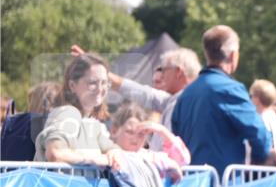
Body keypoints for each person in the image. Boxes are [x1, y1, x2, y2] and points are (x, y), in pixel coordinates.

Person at [171, 26, 272, 177]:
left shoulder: (186, 94)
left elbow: (176, 138)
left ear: (206, 53)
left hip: (191, 186)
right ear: (233, 55)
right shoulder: (229, 89)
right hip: (221, 185)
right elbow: (259, 134)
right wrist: (259, 161)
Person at [72, 44, 200, 152]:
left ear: (178, 72)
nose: (161, 76)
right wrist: (96, 69)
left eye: (164, 70)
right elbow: (138, 91)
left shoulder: (192, 102)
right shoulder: (172, 100)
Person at [35, 53, 121, 168]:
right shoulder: (68, 113)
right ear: (72, 85)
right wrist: (94, 159)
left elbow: (113, 150)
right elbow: (55, 153)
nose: (100, 89)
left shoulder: (91, 123)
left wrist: (114, 153)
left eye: (104, 82)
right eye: (92, 83)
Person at [109, 101, 189, 182]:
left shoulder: (151, 155)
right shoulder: (108, 152)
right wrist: (170, 165)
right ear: (114, 131)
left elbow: (184, 160)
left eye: (141, 134)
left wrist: (162, 131)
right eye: (130, 132)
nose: (135, 138)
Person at [250, 79, 276, 148]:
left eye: (251, 96)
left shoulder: (260, 120)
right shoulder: (275, 119)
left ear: (257, 99)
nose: (250, 99)